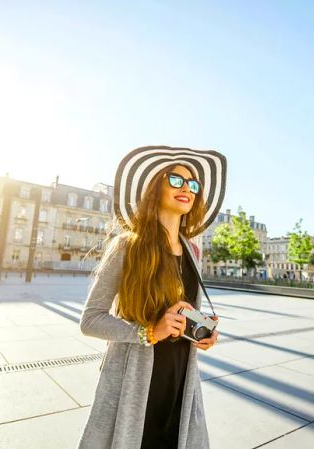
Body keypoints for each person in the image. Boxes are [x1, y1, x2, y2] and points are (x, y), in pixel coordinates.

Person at [77, 146, 227, 449]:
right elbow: (90, 320)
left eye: (193, 185)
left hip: (181, 377)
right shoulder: (127, 246)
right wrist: (147, 331)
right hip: (135, 378)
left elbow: (184, 314)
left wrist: (202, 334)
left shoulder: (192, 253)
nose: (187, 188)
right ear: (154, 186)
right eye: (176, 180)